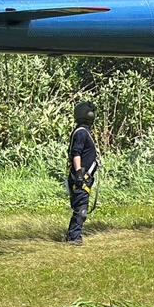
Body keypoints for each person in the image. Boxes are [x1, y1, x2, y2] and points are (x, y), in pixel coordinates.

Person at [66, 101, 99, 246]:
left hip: (86, 177)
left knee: (81, 207)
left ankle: (73, 236)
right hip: (81, 178)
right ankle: (74, 238)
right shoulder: (80, 132)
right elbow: (76, 153)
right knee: (81, 209)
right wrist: (79, 174)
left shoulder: (84, 131)